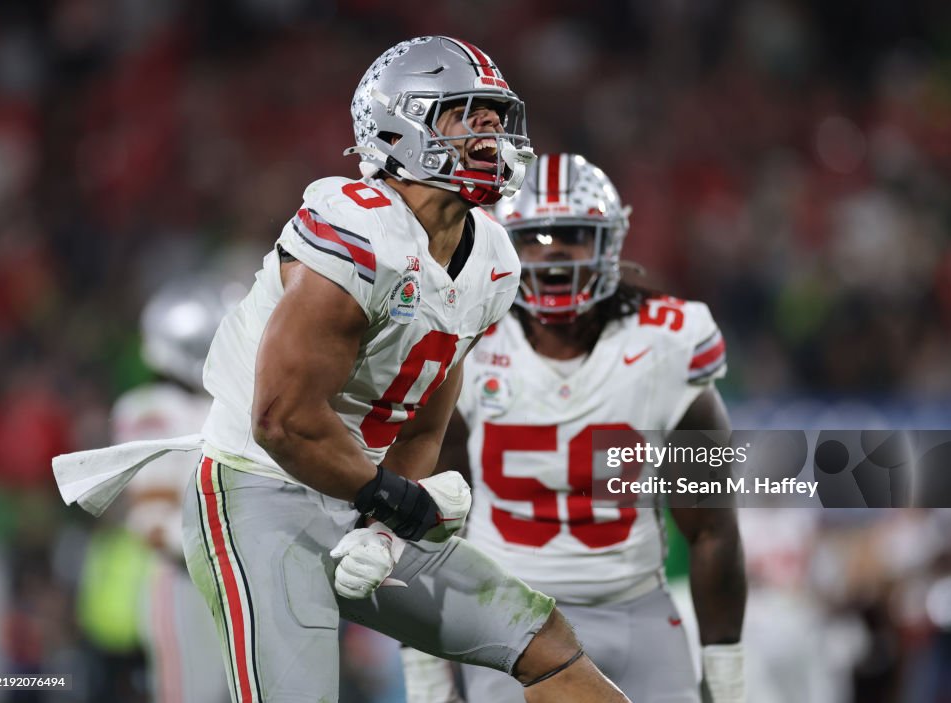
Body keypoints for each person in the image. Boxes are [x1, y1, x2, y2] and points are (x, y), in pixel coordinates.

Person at [176, 38, 631, 702]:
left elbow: (423, 423)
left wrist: (387, 532)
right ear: (400, 122)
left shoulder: (494, 259)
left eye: (495, 115)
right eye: (466, 113)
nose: (491, 131)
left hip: (359, 495)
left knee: (547, 647)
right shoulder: (358, 229)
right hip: (256, 491)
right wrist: (391, 499)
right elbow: (281, 420)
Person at [401, 154, 747, 703]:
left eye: (573, 235)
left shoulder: (668, 343)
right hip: (505, 613)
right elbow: (420, 524)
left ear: (609, 245)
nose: (553, 251)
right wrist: (425, 671)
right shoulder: (464, 336)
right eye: (533, 237)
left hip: (636, 607)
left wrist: (726, 673)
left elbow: (712, 529)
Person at [114, 277, 236, 703]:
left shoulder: (219, 406)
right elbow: (152, 522)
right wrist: (226, 548)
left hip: (229, 577)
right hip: (187, 578)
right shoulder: (153, 409)